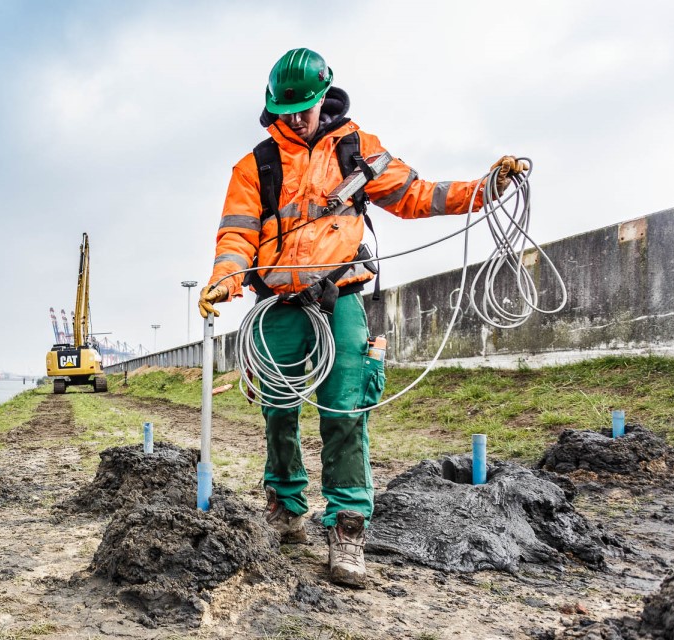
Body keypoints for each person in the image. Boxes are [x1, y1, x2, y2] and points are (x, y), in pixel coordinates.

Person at [196, 47, 525, 588]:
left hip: (338, 299)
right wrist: (226, 276)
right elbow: (236, 234)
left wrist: (483, 191)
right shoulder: (254, 165)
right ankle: (285, 505)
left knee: (346, 411)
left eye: (305, 106)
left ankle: (347, 528)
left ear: (325, 95)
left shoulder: (358, 151)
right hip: (278, 304)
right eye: (288, 109)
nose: (297, 117)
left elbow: (417, 194)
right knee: (277, 407)